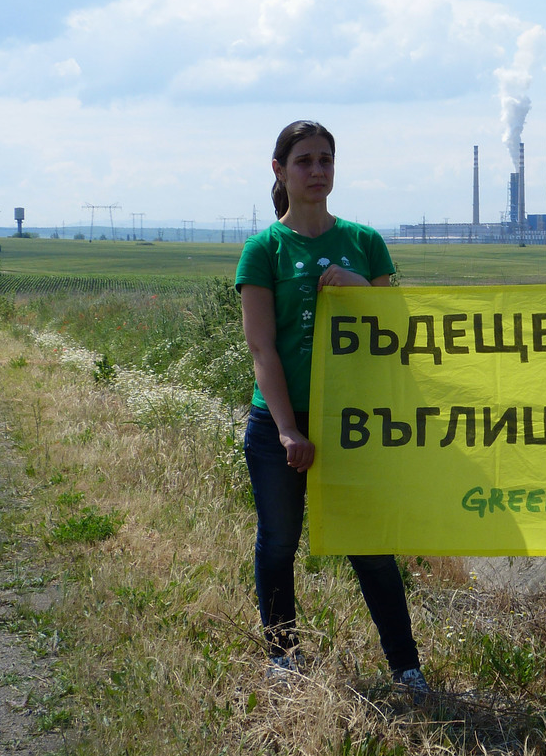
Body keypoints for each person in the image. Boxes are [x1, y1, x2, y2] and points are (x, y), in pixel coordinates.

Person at [235, 120, 427, 697]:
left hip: (354, 423)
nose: (317, 171)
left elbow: (399, 326)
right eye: (304, 161)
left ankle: (405, 668)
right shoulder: (264, 249)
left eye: (325, 160)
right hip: (278, 425)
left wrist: (358, 288)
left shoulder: (365, 242)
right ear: (280, 171)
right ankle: (283, 657)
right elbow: (262, 347)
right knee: (278, 541)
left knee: (369, 546)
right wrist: (290, 429)